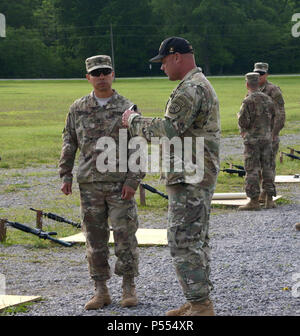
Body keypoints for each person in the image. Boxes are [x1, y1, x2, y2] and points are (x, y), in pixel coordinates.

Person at [122, 37, 221, 316]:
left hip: (189, 176)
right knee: (196, 238)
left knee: (183, 239)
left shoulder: (190, 88)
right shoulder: (196, 84)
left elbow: (168, 129)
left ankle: (201, 305)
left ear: (176, 56)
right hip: (194, 173)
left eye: (163, 61)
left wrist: (132, 120)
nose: (162, 67)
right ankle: (197, 299)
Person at [58, 55, 144, 310]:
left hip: (120, 187)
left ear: (113, 74)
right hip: (90, 185)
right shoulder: (78, 108)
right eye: (96, 73)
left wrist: (133, 180)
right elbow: (69, 140)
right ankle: (101, 289)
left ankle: (128, 286)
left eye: (106, 71)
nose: (102, 77)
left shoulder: (128, 108)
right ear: (88, 77)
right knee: (94, 240)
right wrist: (65, 174)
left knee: (125, 236)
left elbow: (138, 146)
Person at [238, 72, 280, 211]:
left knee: (252, 169)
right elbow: (275, 117)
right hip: (267, 139)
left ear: (247, 84)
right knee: (268, 167)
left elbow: (243, 121)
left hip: (252, 140)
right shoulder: (268, 99)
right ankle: (269, 199)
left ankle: (254, 201)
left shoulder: (248, 101)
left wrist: (244, 130)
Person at [253, 62, 285, 204]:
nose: (258, 76)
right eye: (256, 73)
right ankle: (262, 191)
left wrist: (275, 132)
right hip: (256, 135)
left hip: (269, 133)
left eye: (261, 74)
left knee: (269, 165)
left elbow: (280, 113)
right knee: (257, 165)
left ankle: (268, 195)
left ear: (266, 74)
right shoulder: (252, 89)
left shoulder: (273, 90)